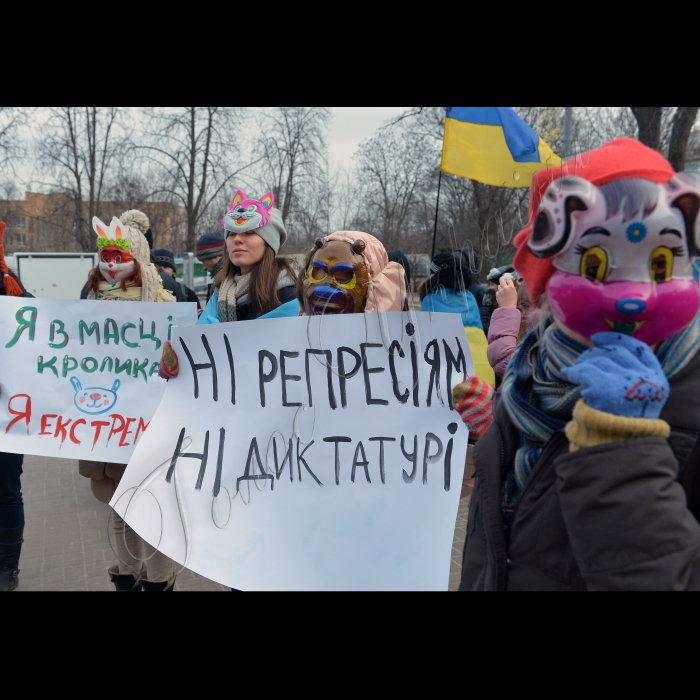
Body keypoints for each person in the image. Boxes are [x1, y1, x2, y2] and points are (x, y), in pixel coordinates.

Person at [459, 137, 700, 591]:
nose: (633, 297)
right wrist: (494, 424)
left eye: (661, 264)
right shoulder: (530, 381)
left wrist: (621, 451)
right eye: (596, 264)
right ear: (547, 288)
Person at [78, 210, 178, 592]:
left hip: (151, 424)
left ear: (137, 261)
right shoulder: (87, 301)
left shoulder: (165, 301)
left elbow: (182, 358)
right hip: (105, 423)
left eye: (119, 257)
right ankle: (125, 575)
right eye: (105, 256)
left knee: (151, 506)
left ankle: (158, 580)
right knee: (118, 507)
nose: (110, 264)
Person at [159, 190, 298, 378]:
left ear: (269, 243)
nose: (237, 239)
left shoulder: (290, 295)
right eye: (231, 234)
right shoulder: (220, 294)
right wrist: (178, 361)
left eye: (249, 233)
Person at [0, 221, 33, 592]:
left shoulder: (15, 294)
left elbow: (47, 331)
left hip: (6, 414)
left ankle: (7, 567)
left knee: (7, 490)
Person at [419, 251, 495, 387]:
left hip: (448, 380)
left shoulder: (429, 300)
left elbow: (423, 343)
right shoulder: (470, 297)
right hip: (483, 378)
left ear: (434, 276)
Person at [297, 231, 406, 316]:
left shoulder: (395, 341)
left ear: (376, 290)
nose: (324, 292)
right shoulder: (291, 336)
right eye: (317, 279)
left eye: (342, 280)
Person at [486, 274, 537, 380]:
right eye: (519, 306)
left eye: (526, 306)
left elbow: (506, 362)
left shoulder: (542, 339)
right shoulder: (522, 332)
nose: (520, 313)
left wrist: (507, 309)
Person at [153, 248, 202, 315]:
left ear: (173, 271)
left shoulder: (188, 294)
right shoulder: (144, 292)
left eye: (166, 267)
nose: (162, 271)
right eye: (158, 267)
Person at [195, 231, 225, 303]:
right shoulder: (222, 280)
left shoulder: (227, 282)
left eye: (203, 261)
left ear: (213, 256)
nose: (204, 268)